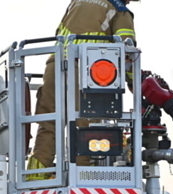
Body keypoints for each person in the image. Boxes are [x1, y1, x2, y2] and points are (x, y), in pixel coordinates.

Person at [27, 0, 137, 177]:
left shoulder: (77, 1)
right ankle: (83, 175)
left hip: (55, 65)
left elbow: (59, 32)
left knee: (49, 123)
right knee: (85, 125)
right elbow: (128, 54)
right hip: (84, 69)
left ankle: (35, 176)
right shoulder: (119, 11)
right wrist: (134, 83)